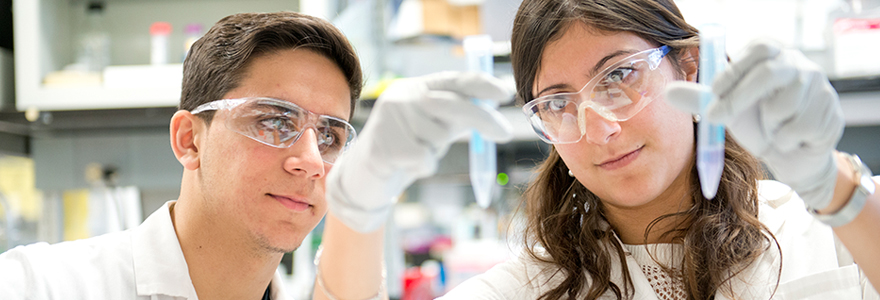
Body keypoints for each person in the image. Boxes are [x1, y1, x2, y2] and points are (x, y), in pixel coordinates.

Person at [319, 0, 880, 299]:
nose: (599, 129)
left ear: (690, 65)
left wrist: (836, 190)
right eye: (558, 103)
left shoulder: (824, 233)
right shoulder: (532, 289)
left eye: (618, 78)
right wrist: (357, 206)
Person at [0, 11, 370, 300]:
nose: (310, 161)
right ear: (189, 139)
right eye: (275, 121)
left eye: (329, 136)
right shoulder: (36, 286)